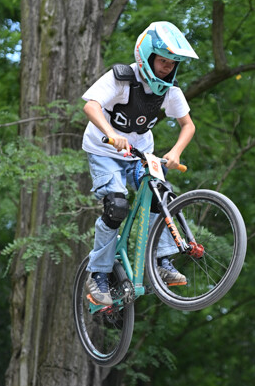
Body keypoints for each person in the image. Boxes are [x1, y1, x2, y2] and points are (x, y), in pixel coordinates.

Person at [82, 21, 198, 310]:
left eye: (172, 63)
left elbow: (188, 125)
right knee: (116, 206)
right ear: (146, 56)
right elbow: (91, 105)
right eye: (162, 61)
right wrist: (111, 134)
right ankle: (98, 275)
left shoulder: (170, 91)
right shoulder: (122, 78)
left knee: (162, 195)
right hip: (104, 151)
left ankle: (161, 261)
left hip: (139, 154)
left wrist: (175, 152)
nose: (167, 68)